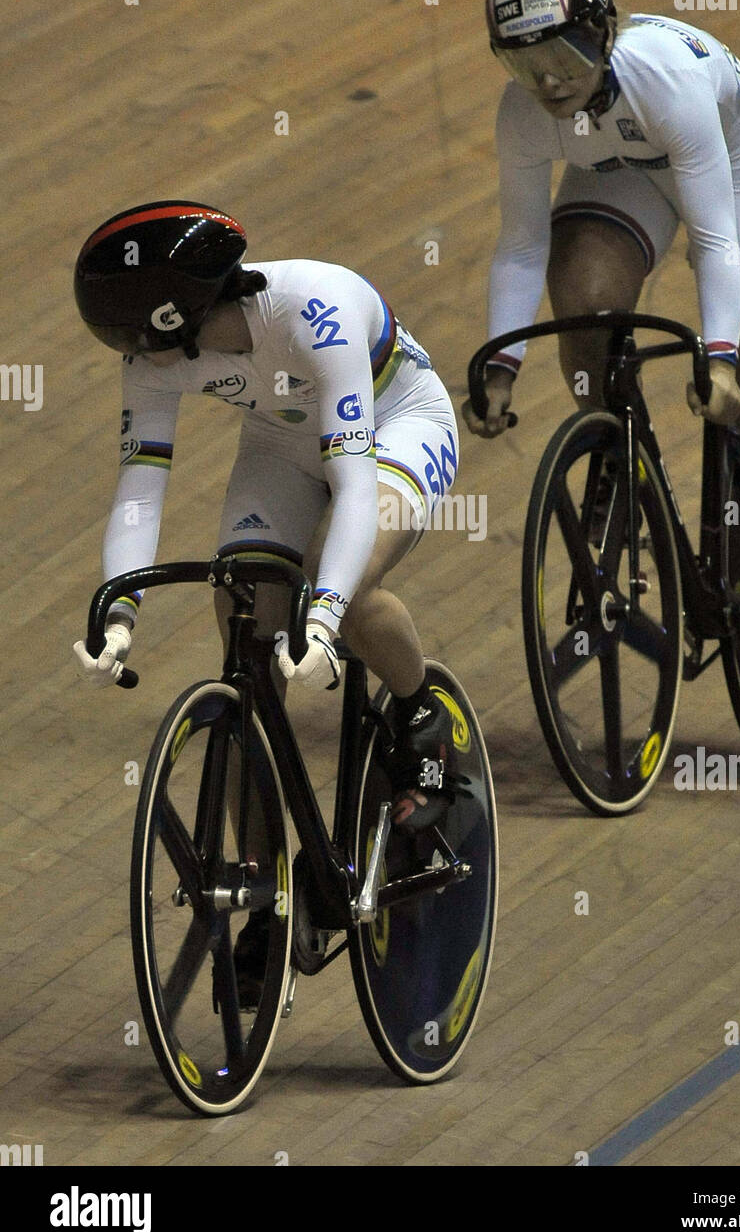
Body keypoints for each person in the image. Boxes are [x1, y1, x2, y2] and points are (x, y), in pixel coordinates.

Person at [463, 0, 740, 697]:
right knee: (582, 291)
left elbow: (716, 238)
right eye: (522, 63)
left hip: (738, 168)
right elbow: (521, 246)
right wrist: (499, 367)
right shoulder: (527, 115)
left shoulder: (666, 81)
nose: (548, 80)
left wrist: (723, 358)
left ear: (602, 33)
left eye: (563, 52)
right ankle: (617, 447)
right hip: (623, 169)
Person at [72, 200, 462, 836]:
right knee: (246, 629)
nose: (126, 352)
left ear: (175, 319)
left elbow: (356, 486)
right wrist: (119, 615)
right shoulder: (154, 362)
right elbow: (141, 491)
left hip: (396, 427)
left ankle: (423, 716)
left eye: (127, 335)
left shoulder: (317, 307)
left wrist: (327, 613)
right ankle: (265, 895)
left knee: (343, 581)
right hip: (279, 442)